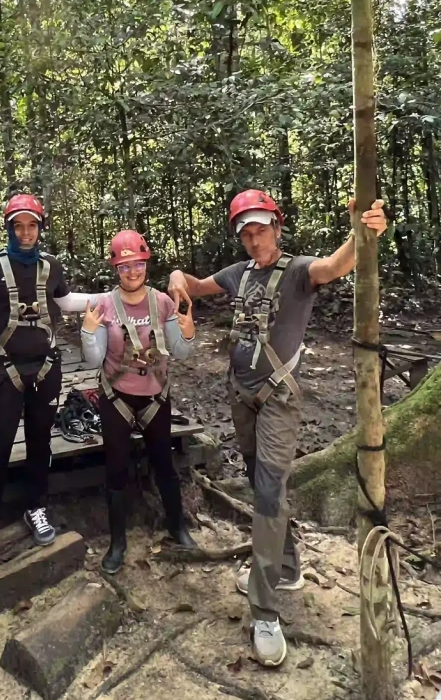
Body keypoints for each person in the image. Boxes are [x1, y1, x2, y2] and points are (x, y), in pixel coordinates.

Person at [168, 190, 388, 668]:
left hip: (278, 401)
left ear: (277, 227)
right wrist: (173, 279)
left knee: (268, 493)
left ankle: (264, 611)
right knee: (258, 484)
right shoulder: (237, 274)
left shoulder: (297, 271)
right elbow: (193, 283)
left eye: (260, 229)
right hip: (240, 398)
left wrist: (360, 231)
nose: (253, 239)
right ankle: (285, 566)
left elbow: (334, 267)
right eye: (245, 232)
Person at [0, 194, 90, 558]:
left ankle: (36, 507)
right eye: (18, 226)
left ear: (40, 229)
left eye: (32, 226)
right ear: (9, 229)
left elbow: (67, 302)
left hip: (46, 368)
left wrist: (114, 297)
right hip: (6, 370)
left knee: (39, 441)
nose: (25, 233)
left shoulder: (51, 266)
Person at [80, 230, 198, 574]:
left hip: (155, 395)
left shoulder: (162, 302)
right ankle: (118, 542)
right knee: (116, 469)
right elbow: (93, 360)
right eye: (124, 266)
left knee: (164, 464)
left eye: (138, 265)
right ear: (115, 269)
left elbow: (181, 351)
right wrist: (89, 331)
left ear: (146, 264)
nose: (132, 272)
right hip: (117, 396)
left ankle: (178, 527)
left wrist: (187, 329)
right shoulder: (104, 305)